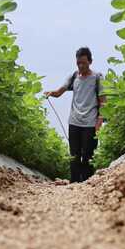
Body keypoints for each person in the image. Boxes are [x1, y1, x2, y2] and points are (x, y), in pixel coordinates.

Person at [44, 47, 106, 183]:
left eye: (83, 62)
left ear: (90, 61)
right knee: (74, 155)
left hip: (90, 123)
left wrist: (99, 123)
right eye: (78, 63)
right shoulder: (74, 76)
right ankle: (74, 185)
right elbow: (60, 91)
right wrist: (51, 93)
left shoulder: (97, 77)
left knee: (88, 155)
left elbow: (103, 102)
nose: (81, 66)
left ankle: (86, 185)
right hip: (74, 122)